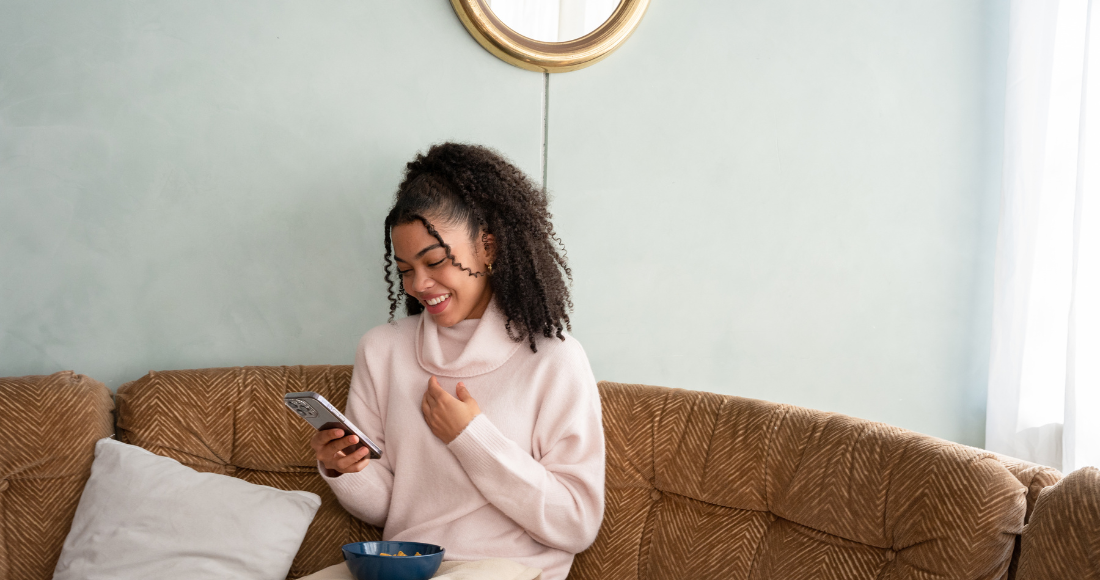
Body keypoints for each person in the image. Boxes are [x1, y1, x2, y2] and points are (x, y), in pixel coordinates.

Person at [309, 142, 605, 580]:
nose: (419, 284)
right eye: (405, 269)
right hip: (404, 566)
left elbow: (577, 522)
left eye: (435, 261)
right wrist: (344, 469)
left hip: (509, 568)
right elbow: (389, 505)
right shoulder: (381, 350)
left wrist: (471, 437)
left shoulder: (554, 359)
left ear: (487, 248)